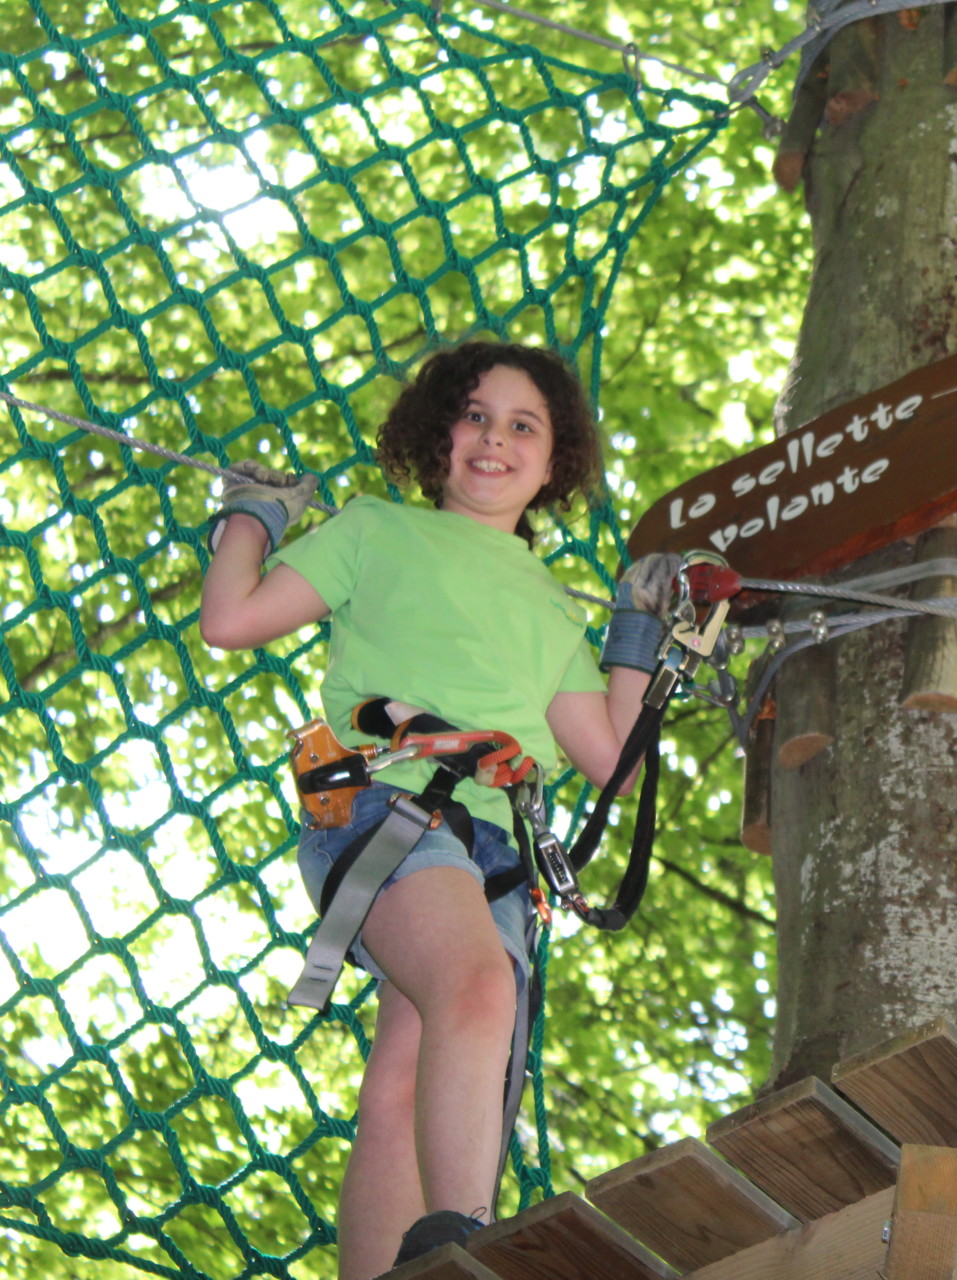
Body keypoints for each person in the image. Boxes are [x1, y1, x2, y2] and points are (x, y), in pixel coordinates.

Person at [199, 341, 672, 1279]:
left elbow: (614, 763)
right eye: (474, 416)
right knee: (477, 991)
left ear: (554, 461)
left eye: (523, 426)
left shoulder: (549, 606)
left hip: (496, 854)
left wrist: (636, 630)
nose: (494, 439)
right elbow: (230, 620)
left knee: (407, 1078)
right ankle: (466, 1245)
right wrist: (250, 517)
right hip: (386, 805)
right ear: (436, 436)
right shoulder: (374, 530)